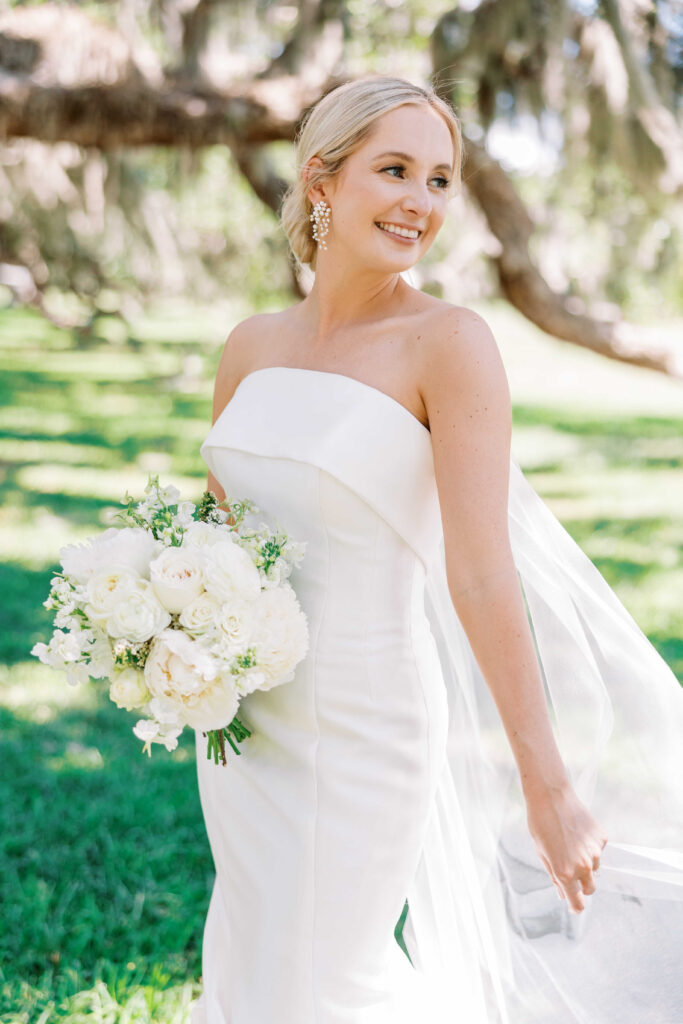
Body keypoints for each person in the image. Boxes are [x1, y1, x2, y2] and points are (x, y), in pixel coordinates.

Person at [193, 76, 683, 1024]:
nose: (421, 201)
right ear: (321, 182)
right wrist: (165, 636)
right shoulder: (249, 347)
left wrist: (548, 789)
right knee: (253, 960)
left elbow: (482, 570)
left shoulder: (447, 343)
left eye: (440, 179)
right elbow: (224, 543)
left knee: (324, 978)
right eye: (394, 170)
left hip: (366, 728)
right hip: (245, 729)